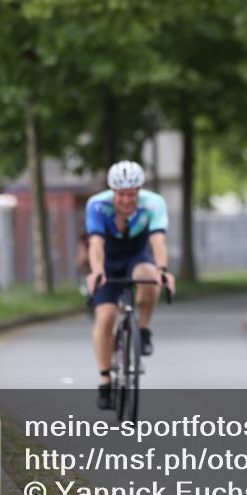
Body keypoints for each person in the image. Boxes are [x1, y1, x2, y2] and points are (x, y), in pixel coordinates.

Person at [85, 161, 175, 410]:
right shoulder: (97, 205)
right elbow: (96, 244)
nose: (126, 199)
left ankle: (143, 330)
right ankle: (105, 379)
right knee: (105, 317)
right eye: (121, 194)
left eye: (132, 193)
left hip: (137, 256)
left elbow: (158, 239)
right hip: (108, 260)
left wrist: (163, 270)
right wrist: (97, 272)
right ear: (112, 190)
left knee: (150, 275)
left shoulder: (153, 203)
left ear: (140, 190)